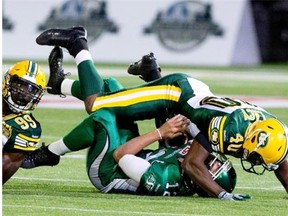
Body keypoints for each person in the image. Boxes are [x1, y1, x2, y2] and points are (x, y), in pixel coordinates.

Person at [25, 26, 288, 200]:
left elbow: (280, 163)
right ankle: (78, 43)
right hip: (175, 94)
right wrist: (221, 195)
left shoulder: (274, 133)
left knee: (114, 93)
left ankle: (61, 83)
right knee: (98, 105)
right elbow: (193, 163)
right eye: (254, 157)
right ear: (246, 140)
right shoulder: (228, 131)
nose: (255, 163)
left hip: (191, 105)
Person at [2, 60, 47, 184]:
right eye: (19, 85)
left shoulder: (24, 128)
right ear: (7, 82)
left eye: (32, 90)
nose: (24, 93)